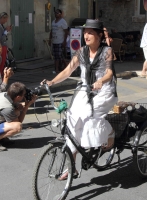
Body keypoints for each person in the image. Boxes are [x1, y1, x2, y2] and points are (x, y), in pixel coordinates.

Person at [42, 19, 117, 179]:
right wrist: (52, 82)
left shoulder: (106, 51)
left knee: (89, 116)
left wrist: (100, 81)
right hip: (85, 89)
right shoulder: (81, 52)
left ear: (99, 35)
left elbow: (109, 73)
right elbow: (68, 70)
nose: (86, 35)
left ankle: (110, 132)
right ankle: (72, 167)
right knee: (72, 120)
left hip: (103, 90)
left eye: (90, 32)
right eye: (85, 32)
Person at [0, 82, 37, 151]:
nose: (24, 96)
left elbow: (18, 107)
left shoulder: (3, 95)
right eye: (23, 95)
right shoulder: (7, 108)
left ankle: (1, 138)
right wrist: (26, 107)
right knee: (17, 127)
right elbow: (18, 123)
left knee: (17, 111)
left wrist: (27, 103)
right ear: (18, 97)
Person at [49, 9, 68, 73]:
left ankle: (56, 69)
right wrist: (50, 39)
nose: (56, 14)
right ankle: (66, 66)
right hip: (54, 41)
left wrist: (64, 41)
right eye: (55, 13)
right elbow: (51, 31)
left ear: (60, 14)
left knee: (57, 56)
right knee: (59, 56)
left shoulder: (63, 22)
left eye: (57, 13)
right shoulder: (53, 21)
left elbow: (66, 32)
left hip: (60, 41)